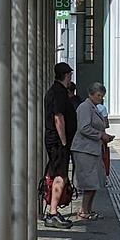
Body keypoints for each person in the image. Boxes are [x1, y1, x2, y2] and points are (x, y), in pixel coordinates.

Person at [42, 62, 78, 229]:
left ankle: (52, 210)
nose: (70, 78)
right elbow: (59, 117)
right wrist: (64, 141)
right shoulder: (59, 92)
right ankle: (53, 212)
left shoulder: (53, 91)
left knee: (58, 173)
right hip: (57, 141)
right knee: (60, 175)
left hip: (54, 140)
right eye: (70, 75)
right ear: (66, 75)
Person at [72, 83, 115, 220]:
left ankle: (88, 209)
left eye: (102, 96)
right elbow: (84, 127)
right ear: (91, 94)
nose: (101, 98)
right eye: (98, 95)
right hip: (85, 150)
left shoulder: (94, 108)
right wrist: (100, 135)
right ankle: (84, 210)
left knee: (95, 181)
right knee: (90, 181)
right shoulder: (85, 107)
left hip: (93, 149)